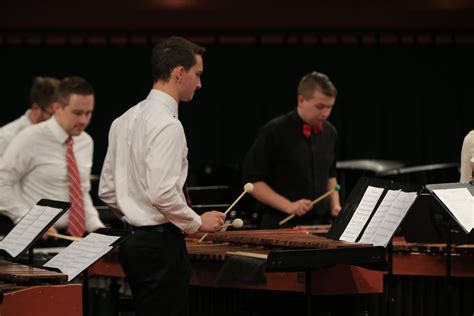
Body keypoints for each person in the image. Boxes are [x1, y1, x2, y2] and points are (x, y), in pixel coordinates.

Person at [98, 36, 225, 315]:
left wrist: (136, 217)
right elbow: (162, 193)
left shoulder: (124, 119)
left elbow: (107, 190)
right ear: (179, 73)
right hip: (160, 247)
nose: (200, 84)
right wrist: (196, 222)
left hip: (132, 243)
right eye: (197, 74)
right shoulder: (168, 126)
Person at [0, 76, 104, 235]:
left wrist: (97, 227)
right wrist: (27, 221)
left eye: (88, 113)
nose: (84, 120)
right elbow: (2, 183)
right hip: (34, 237)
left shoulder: (86, 142)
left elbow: (81, 193)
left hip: (72, 236)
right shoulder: (29, 138)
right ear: (57, 107)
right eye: (77, 113)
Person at [242, 71, 342, 229]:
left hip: (320, 225)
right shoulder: (274, 131)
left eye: (329, 107)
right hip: (281, 225)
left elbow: (330, 176)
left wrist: (335, 205)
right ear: (301, 100)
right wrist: (289, 206)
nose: (325, 113)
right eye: (320, 106)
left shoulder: (330, 132)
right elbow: (253, 182)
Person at [0, 76, 59, 156]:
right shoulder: (6, 137)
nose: (57, 120)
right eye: (52, 114)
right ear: (35, 108)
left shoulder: (59, 133)